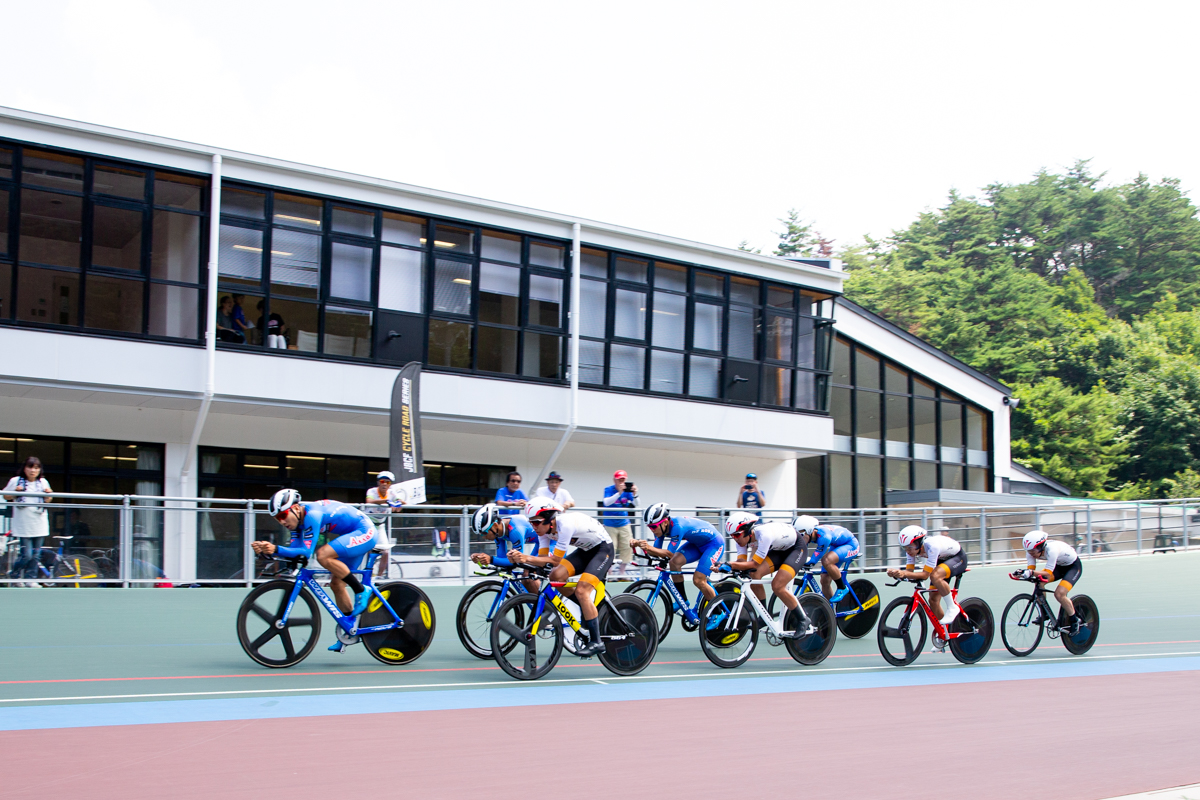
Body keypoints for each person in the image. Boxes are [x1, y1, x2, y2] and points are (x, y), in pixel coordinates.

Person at [253, 490, 378, 650]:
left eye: (283, 515)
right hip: (351, 535)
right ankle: (349, 631)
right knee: (337, 584)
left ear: (296, 508)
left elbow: (306, 552)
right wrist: (267, 551)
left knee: (323, 555)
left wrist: (275, 549)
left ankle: (361, 589)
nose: (281, 522)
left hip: (364, 531)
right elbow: (295, 552)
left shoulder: (312, 515)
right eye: (277, 519)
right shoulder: (296, 523)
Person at [507, 498, 614, 657]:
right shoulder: (543, 533)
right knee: (556, 576)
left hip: (602, 550)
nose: (534, 527)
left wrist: (526, 558)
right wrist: (521, 562)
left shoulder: (565, 525)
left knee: (582, 590)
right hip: (585, 551)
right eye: (531, 523)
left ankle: (597, 642)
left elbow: (555, 560)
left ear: (550, 518)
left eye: (537, 522)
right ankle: (586, 609)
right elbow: (543, 561)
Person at [721, 511, 813, 638]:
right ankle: (764, 615)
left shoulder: (764, 535)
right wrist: (723, 566)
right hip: (779, 550)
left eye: (737, 535)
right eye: (732, 536)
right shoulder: (741, 540)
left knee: (777, 585)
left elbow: (753, 564)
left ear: (747, 530)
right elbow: (742, 563)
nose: (735, 539)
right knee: (754, 575)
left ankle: (803, 619)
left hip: (796, 549)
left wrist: (730, 564)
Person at [630, 502, 724, 604]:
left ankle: (718, 612)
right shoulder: (660, 529)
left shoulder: (677, 527)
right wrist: (640, 544)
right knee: (674, 563)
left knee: (698, 580)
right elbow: (656, 552)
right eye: (650, 527)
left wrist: (648, 547)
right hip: (696, 544)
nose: (652, 530)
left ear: (665, 522)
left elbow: (670, 553)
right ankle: (682, 601)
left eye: (654, 526)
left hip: (713, 544)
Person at [887, 525, 967, 625]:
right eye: (905, 548)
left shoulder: (932, 546)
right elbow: (909, 572)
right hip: (942, 560)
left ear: (919, 542)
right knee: (933, 600)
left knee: (935, 575)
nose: (908, 551)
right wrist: (897, 573)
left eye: (910, 547)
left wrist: (903, 574)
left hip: (957, 558)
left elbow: (925, 575)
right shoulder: (911, 551)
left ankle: (952, 607)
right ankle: (946, 630)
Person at [1018, 530, 1083, 635]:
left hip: (1073, 567)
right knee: (1039, 582)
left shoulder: (1052, 550)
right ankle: (1044, 613)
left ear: (1041, 547)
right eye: (1029, 552)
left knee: (1059, 594)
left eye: (1033, 552)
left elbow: (1047, 573)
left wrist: (1030, 572)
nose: (1031, 554)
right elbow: (1031, 569)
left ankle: (1074, 620)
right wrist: (1022, 573)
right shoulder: (1030, 551)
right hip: (1058, 566)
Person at [3, 456, 53, 588]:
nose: (33, 471)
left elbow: (48, 500)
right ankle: (15, 575)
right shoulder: (16, 481)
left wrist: (48, 494)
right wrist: (16, 492)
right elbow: (5, 496)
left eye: (36, 468)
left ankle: (30, 579)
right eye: (30, 467)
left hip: (39, 522)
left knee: (36, 554)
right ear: (24, 468)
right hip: (23, 523)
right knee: (27, 554)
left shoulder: (43, 482)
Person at [469, 503, 540, 592]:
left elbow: (516, 561)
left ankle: (545, 605)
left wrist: (490, 559)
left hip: (548, 542)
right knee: (526, 576)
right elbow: (502, 559)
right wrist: (482, 559)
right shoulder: (498, 531)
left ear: (494, 526)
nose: (484, 537)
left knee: (528, 575)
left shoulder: (515, 531)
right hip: (539, 542)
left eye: (484, 533)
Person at [793, 515, 860, 602]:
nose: (799, 538)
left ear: (809, 531)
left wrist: (803, 563)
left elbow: (813, 560)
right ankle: (830, 611)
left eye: (801, 534)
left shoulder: (825, 537)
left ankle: (842, 587)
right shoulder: (808, 534)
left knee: (826, 560)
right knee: (824, 580)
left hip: (851, 545)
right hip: (837, 545)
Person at [601, 469, 637, 573]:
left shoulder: (627, 491)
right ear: (614, 480)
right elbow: (606, 502)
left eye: (623, 480)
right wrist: (619, 493)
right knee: (610, 548)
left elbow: (636, 504)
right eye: (619, 480)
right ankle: (609, 572)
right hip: (610, 523)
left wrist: (635, 494)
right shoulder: (609, 489)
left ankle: (622, 572)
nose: (621, 482)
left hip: (624, 523)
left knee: (627, 546)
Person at [365, 471, 397, 579]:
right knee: (368, 549)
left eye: (387, 482)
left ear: (390, 484)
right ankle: (367, 574)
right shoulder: (372, 491)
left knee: (386, 552)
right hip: (368, 524)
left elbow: (399, 504)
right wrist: (386, 501)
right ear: (378, 482)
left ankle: (378, 577)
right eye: (382, 481)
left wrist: (398, 504)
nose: (384, 484)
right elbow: (369, 501)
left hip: (380, 525)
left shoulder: (392, 493)